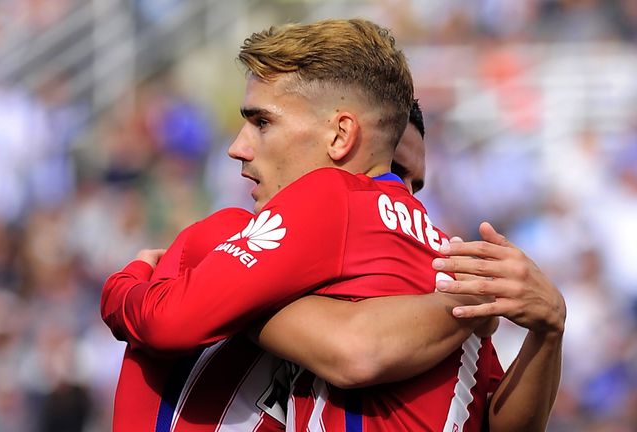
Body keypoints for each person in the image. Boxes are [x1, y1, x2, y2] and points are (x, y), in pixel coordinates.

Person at [101, 19, 564, 431]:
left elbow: (355, 351)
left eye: (263, 122)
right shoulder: (454, 265)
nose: (238, 147)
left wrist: (123, 286)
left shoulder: (302, 208)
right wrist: (534, 325)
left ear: (342, 137)